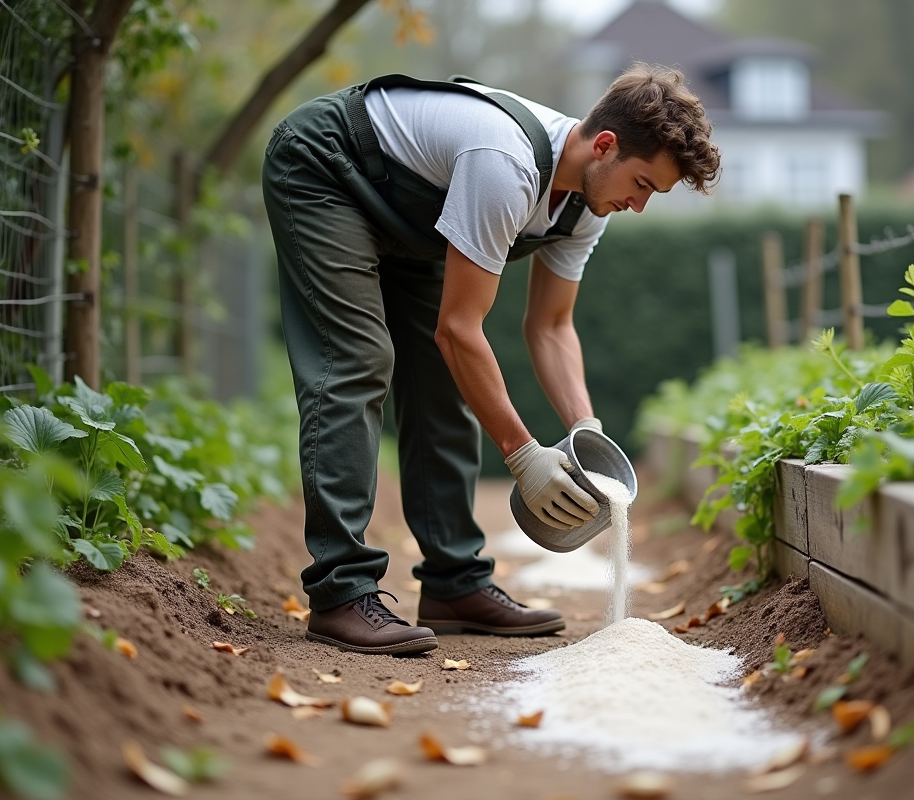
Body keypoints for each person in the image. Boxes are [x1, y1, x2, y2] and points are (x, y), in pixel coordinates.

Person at [261, 62, 720, 656]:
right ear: (604, 145)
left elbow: (551, 327)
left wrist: (586, 430)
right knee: (357, 360)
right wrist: (523, 454)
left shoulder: (584, 206)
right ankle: (341, 591)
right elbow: (459, 328)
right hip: (329, 169)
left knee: (444, 380)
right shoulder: (506, 163)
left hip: (407, 215)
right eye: (643, 185)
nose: (639, 205)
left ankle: (454, 584)